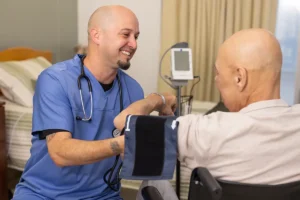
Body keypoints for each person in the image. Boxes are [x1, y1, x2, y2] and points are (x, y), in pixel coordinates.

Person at [12, 5, 177, 200]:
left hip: (104, 196)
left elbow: (134, 158)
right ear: (96, 35)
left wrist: (157, 104)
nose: (133, 44)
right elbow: (60, 152)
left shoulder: (132, 90)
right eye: (126, 35)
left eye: (136, 36)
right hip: (45, 194)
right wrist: (122, 144)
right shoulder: (55, 79)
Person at [113, 28, 300, 200]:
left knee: (154, 182)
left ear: (239, 78)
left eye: (217, 73)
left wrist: (158, 99)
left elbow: (124, 123)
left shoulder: (205, 131)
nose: (216, 81)